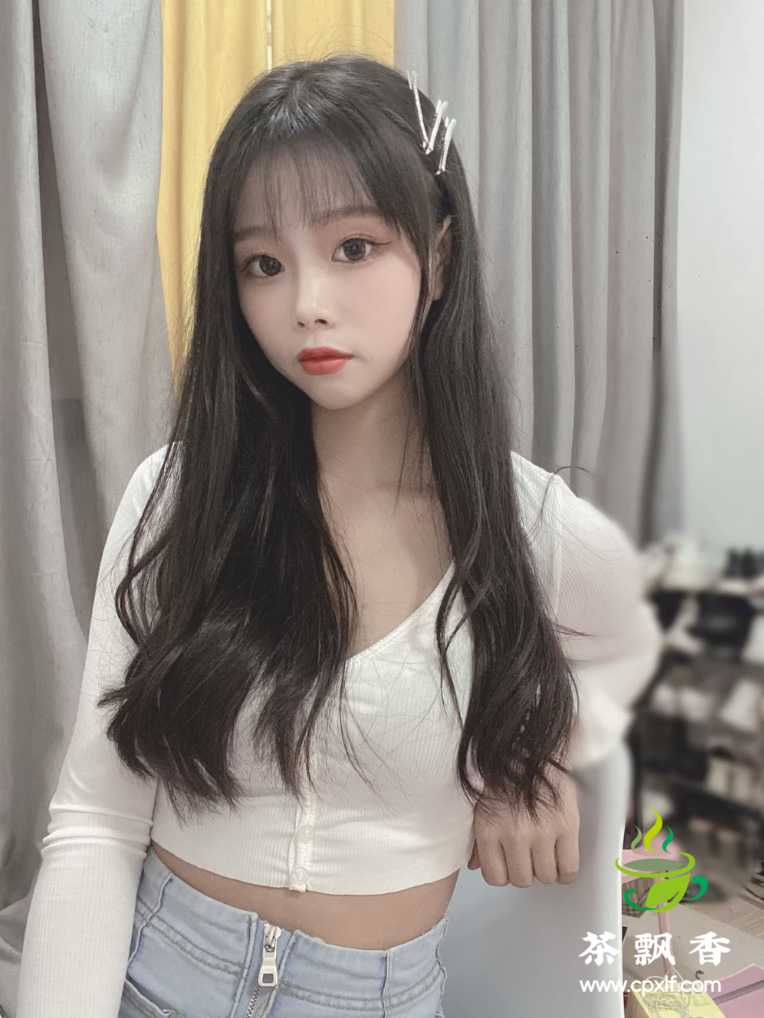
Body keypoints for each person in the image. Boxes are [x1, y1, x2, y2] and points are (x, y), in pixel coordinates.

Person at [15, 53, 662, 1017]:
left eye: (354, 247)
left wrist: (543, 744)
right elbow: (98, 823)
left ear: (440, 256)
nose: (306, 302)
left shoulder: (530, 529)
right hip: (157, 977)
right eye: (264, 264)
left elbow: (645, 649)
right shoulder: (180, 498)